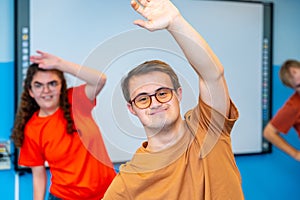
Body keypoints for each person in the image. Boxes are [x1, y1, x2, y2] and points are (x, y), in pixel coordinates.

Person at [102, 0, 244, 199]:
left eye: (162, 93)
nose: (155, 103)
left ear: (178, 94)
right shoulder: (129, 181)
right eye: (143, 99)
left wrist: (175, 22)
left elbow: (213, 75)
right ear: (132, 108)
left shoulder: (208, 128)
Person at [11, 50, 116, 200]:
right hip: (65, 197)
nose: (46, 91)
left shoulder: (76, 101)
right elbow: (39, 176)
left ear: (61, 86)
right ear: (31, 91)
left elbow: (100, 79)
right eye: (38, 85)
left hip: (109, 194)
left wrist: (61, 64)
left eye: (52, 83)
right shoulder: (32, 129)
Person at [264, 59, 300, 161]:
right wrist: (296, 154)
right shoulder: (294, 106)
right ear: (292, 87)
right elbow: (268, 132)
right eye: (299, 85)